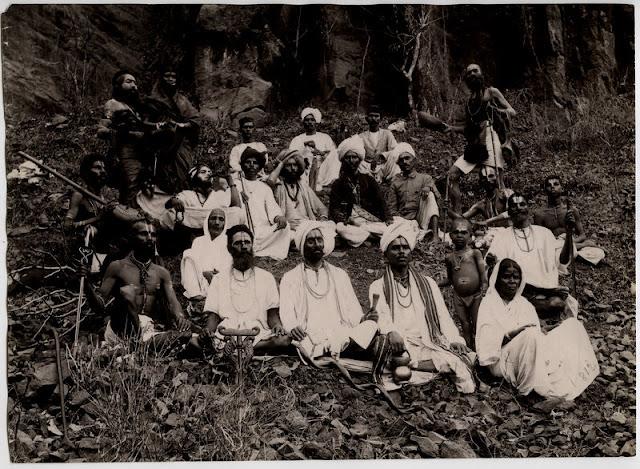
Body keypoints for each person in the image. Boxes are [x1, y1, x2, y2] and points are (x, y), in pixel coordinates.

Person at [368, 222, 476, 394]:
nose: (402, 252)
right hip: (401, 343)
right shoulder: (378, 285)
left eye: (405, 247)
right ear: (386, 253)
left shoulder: (428, 283)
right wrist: (391, 332)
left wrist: (455, 338)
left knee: (464, 357)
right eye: (395, 248)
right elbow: (381, 315)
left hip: (428, 340)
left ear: (411, 251)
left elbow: (443, 316)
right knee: (388, 351)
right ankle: (414, 366)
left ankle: (412, 367)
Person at [476, 258, 599, 400]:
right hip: (501, 361)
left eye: (516, 277)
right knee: (530, 335)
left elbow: (536, 332)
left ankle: (556, 376)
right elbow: (487, 343)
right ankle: (527, 390)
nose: (512, 281)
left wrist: (547, 330)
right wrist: (517, 333)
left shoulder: (524, 304)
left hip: (530, 351)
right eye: (506, 277)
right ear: (497, 279)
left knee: (572, 326)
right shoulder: (489, 303)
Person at [82, 217, 194, 347]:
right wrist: (86, 285)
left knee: (188, 336)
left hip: (148, 329)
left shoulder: (161, 272)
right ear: (132, 237)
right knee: (127, 292)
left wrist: (180, 317)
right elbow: (99, 306)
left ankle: (143, 345)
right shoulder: (118, 267)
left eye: (153, 234)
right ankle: (141, 344)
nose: (149, 238)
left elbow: (172, 301)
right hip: (120, 328)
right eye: (144, 234)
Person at [280, 221, 379, 359]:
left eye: (319, 240)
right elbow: (286, 312)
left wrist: (364, 319)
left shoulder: (339, 274)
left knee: (370, 326)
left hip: (341, 332)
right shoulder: (290, 277)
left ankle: (334, 349)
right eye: (311, 241)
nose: (317, 244)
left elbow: (353, 310)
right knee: (300, 342)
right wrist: (292, 327)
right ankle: (342, 350)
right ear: (303, 246)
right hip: (309, 333)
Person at [202, 224, 290, 352]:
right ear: (229, 248)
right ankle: (246, 349)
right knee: (198, 340)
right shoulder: (219, 279)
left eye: (247, 242)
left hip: (258, 333)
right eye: (238, 243)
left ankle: (236, 349)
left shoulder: (266, 277)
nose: (243, 246)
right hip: (226, 333)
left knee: (284, 340)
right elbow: (213, 315)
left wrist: (277, 326)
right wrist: (208, 331)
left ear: (252, 245)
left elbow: (272, 314)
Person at [486, 193, 574, 317]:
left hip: (547, 290)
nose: (518, 208)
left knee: (557, 304)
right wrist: (492, 265)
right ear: (508, 212)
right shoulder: (502, 236)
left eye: (522, 204)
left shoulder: (545, 233)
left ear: (528, 208)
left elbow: (563, 261)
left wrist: (569, 232)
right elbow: (494, 273)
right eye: (513, 206)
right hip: (519, 293)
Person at [445, 64, 516, 213]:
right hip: (475, 142)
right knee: (452, 175)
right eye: (469, 72)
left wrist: (496, 110)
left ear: (481, 73)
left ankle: (503, 217)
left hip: (491, 138)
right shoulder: (469, 101)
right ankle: (458, 216)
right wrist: (452, 128)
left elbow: (512, 111)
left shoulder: (491, 92)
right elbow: (468, 127)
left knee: (496, 181)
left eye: (475, 71)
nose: (472, 74)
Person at [144, 67, 201, 194]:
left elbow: (195, 120)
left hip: (180, 142)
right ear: (161, 78)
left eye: (173, 76)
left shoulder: (182, 100)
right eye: (167, 76)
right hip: (158, 142)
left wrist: (180, 125)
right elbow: (144, 122)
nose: (170, 79)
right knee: (158, 175)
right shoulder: (152, 100)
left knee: (183, 172)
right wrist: (158, 126)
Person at [329, 136, 393, 247]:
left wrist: (387, 218)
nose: (351, 161)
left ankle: (364, 237)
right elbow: (334, 207)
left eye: (354, 157)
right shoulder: (337, 184)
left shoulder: (369, 180)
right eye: (348, 157)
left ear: (359, 159)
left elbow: (380, 201)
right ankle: (373, 237)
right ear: (343, 160)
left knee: (388, 226)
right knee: (340, 228)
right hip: (350, 221)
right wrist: (341, 219)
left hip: (370, 220)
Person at [97, 70, 148, 205]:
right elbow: (101, 130)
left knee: (143, 186)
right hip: (126, 152)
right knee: (132, 184)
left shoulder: (136, 108)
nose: (133, 85)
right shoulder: (113, 104)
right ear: (117, 85)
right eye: (129, 81)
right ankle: (129, 218)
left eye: (135, 83)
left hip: (143, 152)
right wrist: (126, 134)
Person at [63, 153, 120, 272]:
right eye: (98, 168)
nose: (103, 171)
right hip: (86, 246)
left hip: (107, 248)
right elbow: (67, 226)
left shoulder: (107, 196)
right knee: (91, 231)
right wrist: (97, 218)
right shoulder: (79, 196)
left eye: (104, 168)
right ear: (87, 172)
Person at [533, 175, 606, 266]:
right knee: (552, 254)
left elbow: (582, 235)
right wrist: (583, 244)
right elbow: (540, 241)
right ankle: (576, 253)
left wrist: (570, 243)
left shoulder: (571, 210)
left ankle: (574, 254)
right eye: (549, 185)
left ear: (561, 188)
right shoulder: (540, 214)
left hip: (570, 242)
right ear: (545, 190)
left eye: (556, 184)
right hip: (554, 246)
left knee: (597, 252)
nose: (552, 186)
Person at [438, 218, 488, 348]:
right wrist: (435, 284)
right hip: (459, 296)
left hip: (476, 295)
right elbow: (450, 279)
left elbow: (483, 274)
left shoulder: (475, 253)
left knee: (478, 324)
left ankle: (481, 351)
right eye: (456, 232)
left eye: (464, 232)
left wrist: (484, 288)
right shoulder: (449, 258)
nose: (459, 235)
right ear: (450, 235)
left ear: (470, 235)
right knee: (465, 324)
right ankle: (469, 350)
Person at [180, 207, 243, 302]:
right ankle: (195, 293)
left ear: (224, 224)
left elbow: (232, 265)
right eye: (213, 218)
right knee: (188, 254)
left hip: (222, 282)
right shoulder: (198, 241)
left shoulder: (229, 241)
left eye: (221, 219)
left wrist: (218, 275)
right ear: (207, 221)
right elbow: (195, 264)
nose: (217, 222)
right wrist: (204, 273)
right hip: (201, 281)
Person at [237, 147, 291, 259]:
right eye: (248, 162)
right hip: (242, 228)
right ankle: (250, 246)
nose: (251, 165)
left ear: (260, 167)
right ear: (242, 166)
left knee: (285, 227)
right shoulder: (236, 184)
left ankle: (255, 248)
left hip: (263, 232)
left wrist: (278, 217)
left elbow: (272, 208)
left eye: (255, 163)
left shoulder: (264, 187)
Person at [386, 142, 440, 241]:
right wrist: (398, 218)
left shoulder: (425, 178)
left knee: (430, 196)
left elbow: (438, 201)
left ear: (414, 160)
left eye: (407, 158)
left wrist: (428, 187)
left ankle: (435, 235)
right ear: (398, 164)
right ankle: (417, 233)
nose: (405, 162)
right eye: (401, 160)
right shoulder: (396, 183)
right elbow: (391, 208)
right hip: (403, 219)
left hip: (421, 217)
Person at [266, 149, 330, 231]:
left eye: (295, 165)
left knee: (331, 225)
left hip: (307, 226)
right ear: (282, 168)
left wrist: (323, 218)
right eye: (288, 165)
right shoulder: (278, 186)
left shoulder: (304, 186)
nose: (293, 168)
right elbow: (270, 181)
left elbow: (321, 208)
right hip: (287, 228)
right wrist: (281, 163)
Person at [165, 164, 241, 231]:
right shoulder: (187, 194)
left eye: (209, 172)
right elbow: (169, 205)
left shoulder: (219, 195)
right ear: (194, 177)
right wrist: (174, 200)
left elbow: (236, 209)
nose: (208, 174)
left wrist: (230, 181)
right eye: (203, 172)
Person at [289, 107, 340, 191]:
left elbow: (331, 154)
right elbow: (292, 155)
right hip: (304, 170)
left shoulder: (325, 137)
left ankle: (328, 183)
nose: (310, 122)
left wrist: (318, 151)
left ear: (316, 122)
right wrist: (304, 149)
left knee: (336, 153)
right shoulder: (297, 139)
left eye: (312, 120)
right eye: (307, 120)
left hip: (322, 169)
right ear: (303, 122)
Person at [357, 104, 399, 185]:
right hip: (367, 166)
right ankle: (370, 179)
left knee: (395, 157)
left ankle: (390, 180)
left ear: (380, 119)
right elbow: (359, 152)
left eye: (376, 116)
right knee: (358, 163)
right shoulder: (361, 136)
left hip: (383, 166)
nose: (373, 119)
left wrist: (382, 155)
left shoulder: (387, 134)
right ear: (366, 118)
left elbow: (395, 150)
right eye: (371, 116)